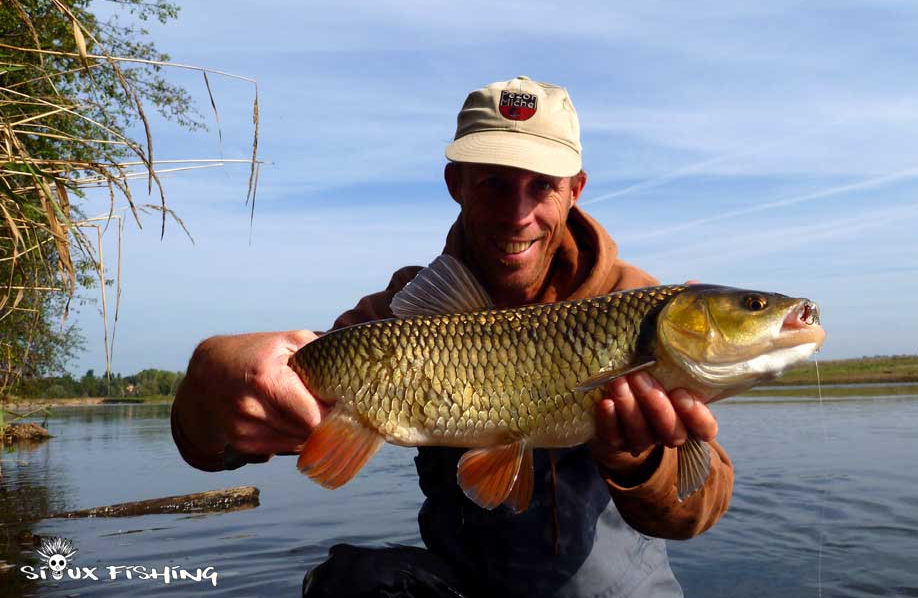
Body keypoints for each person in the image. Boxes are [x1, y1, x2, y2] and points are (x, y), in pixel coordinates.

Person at [171, 76, 734, 597]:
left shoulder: (636, 305)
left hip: (616, 592)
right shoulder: (399, 316)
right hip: (465, 584)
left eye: (542, 186)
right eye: (493, 183)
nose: (517, 215)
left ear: (575, 190)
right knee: (350, 584)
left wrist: (637, 460)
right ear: (455, 184)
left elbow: (700, 507)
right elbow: (213, 447)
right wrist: (210, 379)